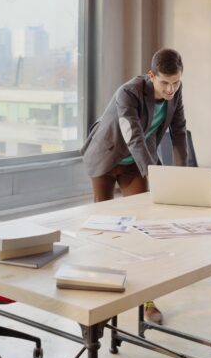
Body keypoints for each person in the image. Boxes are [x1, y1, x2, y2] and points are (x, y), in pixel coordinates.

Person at [81, 48, 190, 324]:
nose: (171, 89)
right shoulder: (128, 92)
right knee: (106, 231)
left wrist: (183, 176)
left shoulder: (175, 93)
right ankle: (100, 303)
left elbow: (179, 133)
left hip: (135, 165)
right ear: (151, 75)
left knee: (140, 230)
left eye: (176, 82)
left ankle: (146, 301)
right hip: (107, 157)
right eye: (165, 82)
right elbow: (134, 136)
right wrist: (154, 174)